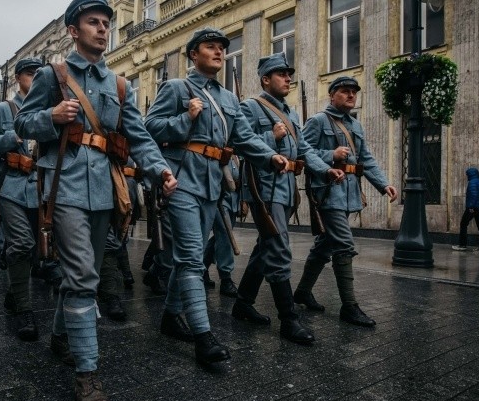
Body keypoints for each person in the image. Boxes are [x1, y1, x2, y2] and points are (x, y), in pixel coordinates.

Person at [15, 0, 177, 401]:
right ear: (73, 31)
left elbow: (138, 134)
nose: (103, 28)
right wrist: (51, 118)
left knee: (82, 271)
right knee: (85, 275)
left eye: (106, 22)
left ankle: (59, 336)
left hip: (105, 188)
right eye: (93, 22)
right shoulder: (55, 75)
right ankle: (87, 374)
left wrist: (159, 169)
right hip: (64, 185)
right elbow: (22, 122)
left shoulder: (119, 83)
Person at [144, 27, 290, 366]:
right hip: (180, 180)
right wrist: (185, 117)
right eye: (210, 46)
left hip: (211, 184)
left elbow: (243, 137)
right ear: (193, 54)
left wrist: (268, 155)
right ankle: (203, 338)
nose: (219, 52)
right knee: (193, 258)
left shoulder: (228, 99)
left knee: (187, 258)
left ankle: (170, 315)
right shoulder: (177, 87)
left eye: (222, 48)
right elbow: (148, 128)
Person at [234, 53, 342, 344]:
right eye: (281, 74)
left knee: (266, 245)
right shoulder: (249, 107)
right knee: (279, 248)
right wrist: (271, 135)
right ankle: (288, 319)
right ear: (265, 79)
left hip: (285, 188)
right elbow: (242, 143)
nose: (288, 78)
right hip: (262, 187)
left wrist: (325, 170)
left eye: (288, 73)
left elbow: (304, 149)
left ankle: (242, 303)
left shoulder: (291, 113)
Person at [294, 76, 398, 327]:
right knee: (343, 244)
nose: (351, 95)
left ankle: (302, 292)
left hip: (349, 193)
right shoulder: (318, 121)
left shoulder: (356, 126)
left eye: (354, 92)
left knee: (325, 245)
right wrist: (330, 154)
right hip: (328, 192)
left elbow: (366, 159)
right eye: (344, 91)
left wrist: (383, 184)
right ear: (332, 95)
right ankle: (349, 307)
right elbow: (300, 150)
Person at [0, 57, 60, 342]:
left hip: (40, 187)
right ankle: (24, 311)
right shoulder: (4, 109)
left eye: (40, 74)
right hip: (10, 185)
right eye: (29, 73)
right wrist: (11, 137)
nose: (35, 77)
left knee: (38, 249)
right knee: (21, 243)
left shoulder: (48, 110)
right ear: (17, 79)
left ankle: (14, 295)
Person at [202, 157, 241, 297]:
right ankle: (226, 278)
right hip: (219, 197)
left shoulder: (236, 154)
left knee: (220, 236)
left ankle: (203, 267)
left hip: (234, 198)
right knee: (225, 234)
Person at [453, 167, 479, 252]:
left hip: (473, 208)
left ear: (470, 174)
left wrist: (471, 207)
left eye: (467, 174)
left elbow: (473, 195)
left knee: (463, 224)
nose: (467, 176)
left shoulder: (472, 183)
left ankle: (462, 245)